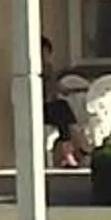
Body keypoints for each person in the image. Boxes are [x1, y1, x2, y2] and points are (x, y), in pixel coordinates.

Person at [39, 37, 86, 167]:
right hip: (38, 110)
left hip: (50, 109)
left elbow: (61, 90)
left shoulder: (48, 70)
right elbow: (51, 92)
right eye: (45, 53)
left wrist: (83, 89)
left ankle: (70, 152)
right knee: (62, 109)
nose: (47, 57)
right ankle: (75, 150)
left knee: (63, 116)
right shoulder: (37, 73)